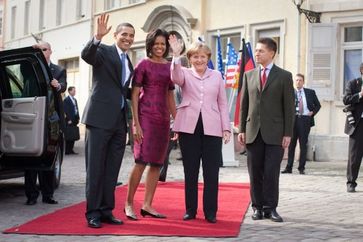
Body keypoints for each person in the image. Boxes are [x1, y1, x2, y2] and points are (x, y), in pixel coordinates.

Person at [169, 35, 231, 223]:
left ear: (208, 57)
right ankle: (190, 210)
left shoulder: (217, 75)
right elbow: (175, 77)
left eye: (203, 56)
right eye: (195, 56)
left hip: (212, 128)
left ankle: (210, 212)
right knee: (191, 171)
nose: (199, 60)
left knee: (211, 172)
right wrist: (175, 56)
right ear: (190, 58)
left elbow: (222, 103)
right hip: (189, 127)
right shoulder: (185, 73)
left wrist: (226, 128)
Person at [81, 14, 134, 228]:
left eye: (131, 36)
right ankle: (92, 212)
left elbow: (122, 89)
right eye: (124, 34)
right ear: (115, 35)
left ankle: (105, 211)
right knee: (95, 169)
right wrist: (97, 38)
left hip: (119, 123)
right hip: (99, 119)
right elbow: (87, 55)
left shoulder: (128, 60)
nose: (128, 38)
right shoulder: (104, 51)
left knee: (112, 170)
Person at [237, 37, 295, 223]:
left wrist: (287, 133)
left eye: (261, 51)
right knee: (255, 172)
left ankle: (271, 208)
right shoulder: (249, 75)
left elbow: (289, 107)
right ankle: (257, 208)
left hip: (275, 133)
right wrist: (242, 129)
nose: (257, 53)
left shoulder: (284, 76)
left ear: (272, 53)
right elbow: (244, 104)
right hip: (253, 131)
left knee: (271, 172)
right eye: (256, 50)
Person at [124, 29, 176, 221]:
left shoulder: (169, 67)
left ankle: (147, 205)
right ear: (150, 45)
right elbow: (134, 95)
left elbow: (170, 95)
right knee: (141, 161)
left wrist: (176, 120)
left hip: (162, 120)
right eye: (156, 44)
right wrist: (136, 124)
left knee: (157, 163)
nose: (160, 47)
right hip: (145, 117)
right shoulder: (143, 64)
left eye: (163, 44)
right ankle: (129, 203)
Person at [24, 41, 67, 206]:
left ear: (50, 51)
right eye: (39, 50)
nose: (42, 53)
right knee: (31, 156)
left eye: (44, 50)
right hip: (34, 118)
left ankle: (48, 195)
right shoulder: (31, 67)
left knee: (50, 156)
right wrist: (31, 50)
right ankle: (31, 195)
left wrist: (59, 85)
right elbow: (23, 70)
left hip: (52, 120)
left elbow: (63, 86)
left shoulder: (59, 70)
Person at [282, 73, 321, 174]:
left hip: (304, 120)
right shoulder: (290, 92)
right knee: (291, 145)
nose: (298, 82)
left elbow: (318, 105)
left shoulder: (310, 92)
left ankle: (301, 168)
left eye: (300, 80)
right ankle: (289, 167)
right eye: (296, 80)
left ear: (303, 82)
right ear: (294, 82)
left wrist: (312, 113)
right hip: (293, 121)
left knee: (303, 145)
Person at [343, 62, 363, 193]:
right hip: (357, 124)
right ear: (362, 70)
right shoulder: (353, 83)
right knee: (355, 155)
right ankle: (351, 182)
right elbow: (346, 99)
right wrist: (360, 95)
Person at [63, 86, 80, 155]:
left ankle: (71, 149)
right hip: (69, 120)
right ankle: (67, 150)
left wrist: (78, 117)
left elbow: (76, 109)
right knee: (69, 135)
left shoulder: (75, 100)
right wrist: (68, 119)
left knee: (73, 135)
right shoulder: (66, 100)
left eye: (75, 91)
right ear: (69, 91)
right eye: (73, 90)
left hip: (75, 119)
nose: (75, 92)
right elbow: (65, 111)